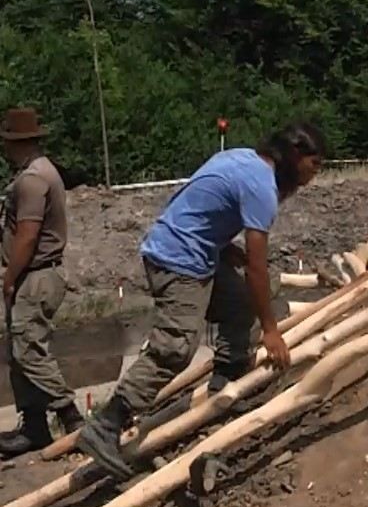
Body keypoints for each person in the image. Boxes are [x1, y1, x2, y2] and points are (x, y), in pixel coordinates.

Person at [76, 122, 326, 478]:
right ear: (295, 155)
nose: (314, 175)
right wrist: (271, 332)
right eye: (313, 165)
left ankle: (226, 380)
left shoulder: (243, 159)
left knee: (238, 303)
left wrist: (223, 247)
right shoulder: (262, 188)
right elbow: (258, 268)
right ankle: (106, 424)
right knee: (176, 346)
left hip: (196, 250)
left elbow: (199, 204)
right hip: (178, 260)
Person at [0, 108, 84, 457]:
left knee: (28, 347)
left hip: (34, 274)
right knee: (19, 351)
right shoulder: (40, 173)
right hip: (34, 274)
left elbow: (28, 235)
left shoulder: (32, 180)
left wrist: (9, 275)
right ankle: (34, 425)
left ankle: (71, 416)